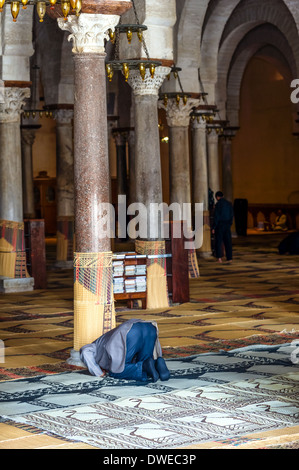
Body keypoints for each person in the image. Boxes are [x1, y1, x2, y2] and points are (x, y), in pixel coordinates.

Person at [80, 319, 170, 382]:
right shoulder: (107, 338)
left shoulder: (96, 345)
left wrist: (98, 372)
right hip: (149, 327)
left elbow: (84, 350)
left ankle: (144, 366)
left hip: (131, 331)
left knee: (117, 372)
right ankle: (157, 364)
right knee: (145, 361)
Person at [212, 191, 234, 263]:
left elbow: (216, 217)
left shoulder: (218, 204)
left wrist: (214, 227)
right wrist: (230, 223)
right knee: (228, 242)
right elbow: (231, 215)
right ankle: (229, 258)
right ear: (223, 196)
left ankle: (219, 258)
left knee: (218, 241)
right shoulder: (229, 204)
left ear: (217, 197)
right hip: (227, 225)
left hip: (220, 225)